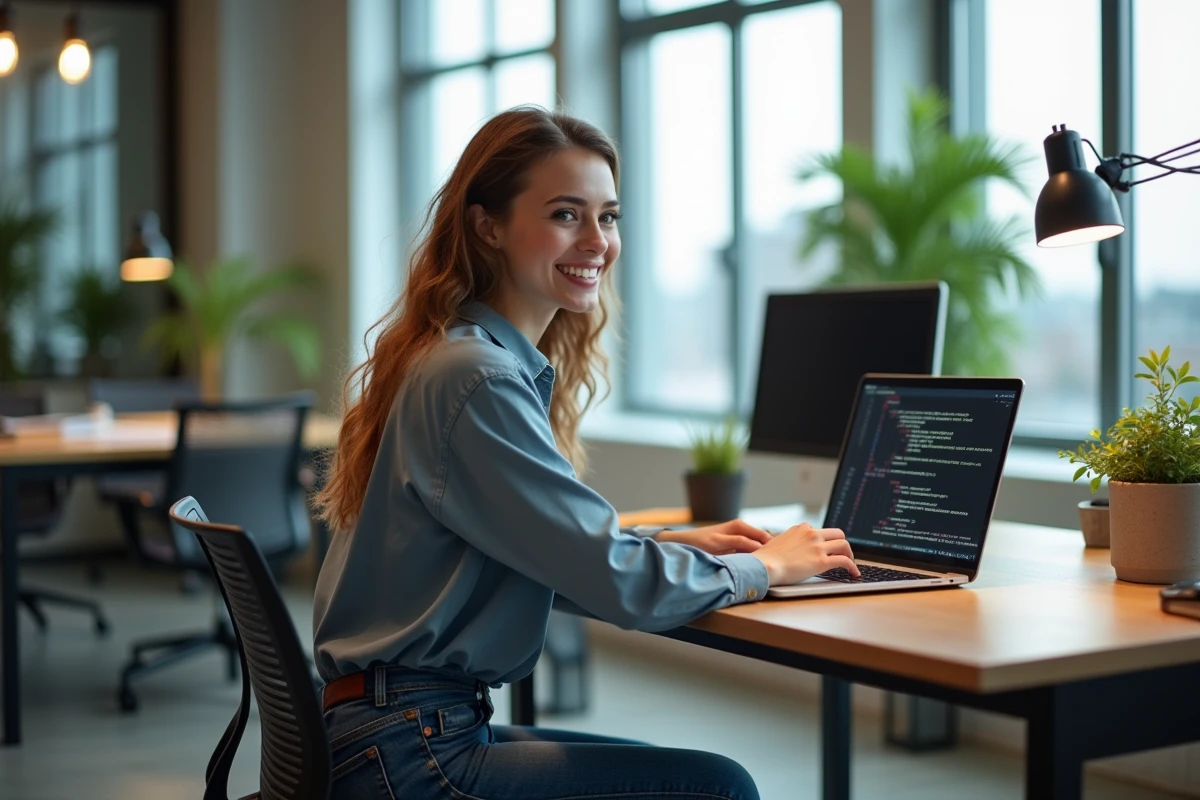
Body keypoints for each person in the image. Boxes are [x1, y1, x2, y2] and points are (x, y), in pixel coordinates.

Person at [313, 106, 859, 800]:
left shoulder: (462, 358)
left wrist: (672, 544)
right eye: (566, 214)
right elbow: (613, 579)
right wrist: (763, 568)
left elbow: (536, 552)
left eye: (609, 216)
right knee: (718, 789)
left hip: (398, 732)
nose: (597, 241)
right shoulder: (475, 377)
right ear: (488, 226)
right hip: (415, 754)